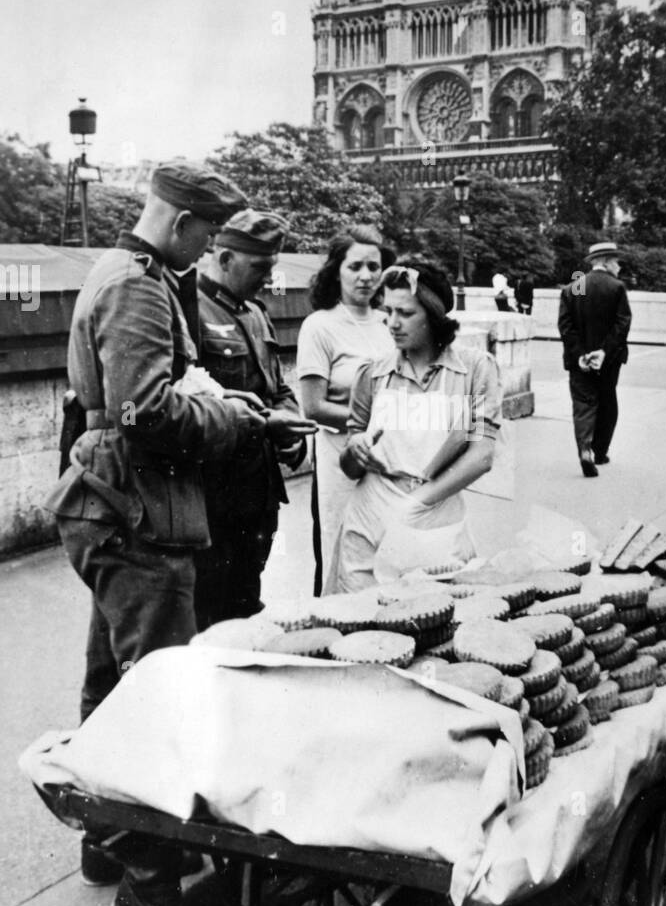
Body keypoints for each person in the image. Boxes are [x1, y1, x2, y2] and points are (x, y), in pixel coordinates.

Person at [44, 161, 279, 906]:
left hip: (113, 509)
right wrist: (232, 417)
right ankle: (153, 889)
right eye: (207, 236)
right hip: (139, 512)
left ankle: (105, 843)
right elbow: (148, 412)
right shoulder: (141, 286)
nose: (209, 249)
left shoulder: (120, 271)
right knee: (156, 706)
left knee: (110, 684)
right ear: (179, 224)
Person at [330, 258, 502, 593]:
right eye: (388, 312)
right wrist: (355, 449)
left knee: (435, 615)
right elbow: (350, 468)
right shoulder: (371, 374)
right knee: (362, 627)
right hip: (371, 516)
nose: (392, 323)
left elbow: (482, 455)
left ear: (434, 316)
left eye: (405, 313)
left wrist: (417, 503)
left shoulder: (475, 370)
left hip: (435, 511)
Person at [194, 209, 312, 630]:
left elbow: (277, 388)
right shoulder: (189, 309)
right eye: (259, 268)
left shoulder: (256, 313)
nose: (267, 278)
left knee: (247, 602)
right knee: (208, 614)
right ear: (225, 259)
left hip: (257, 491)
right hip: (211, 496)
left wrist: (292, 432)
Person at [296, 226, 391, 594]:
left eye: (373, 266)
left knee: (384, 554)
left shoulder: (390, 321)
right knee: (342, 551)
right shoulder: (320, 326)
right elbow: (313, 406)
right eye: (355, 266)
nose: (365, 276)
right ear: (337, 270)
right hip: (340, 458)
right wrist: (370, 419)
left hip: (389, 457)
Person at [558, 241, 631, 477]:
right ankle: (600, 451)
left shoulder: (575, 287)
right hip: (608, 361)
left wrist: (580, 354)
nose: (619, 266)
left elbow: (566, 325)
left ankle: (585, 449)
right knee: (608, 401)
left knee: (582, 404)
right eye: (617, 261)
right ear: (607, 261)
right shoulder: (616, 287)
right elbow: (622, 324)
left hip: (579, 361)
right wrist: (604, 352)